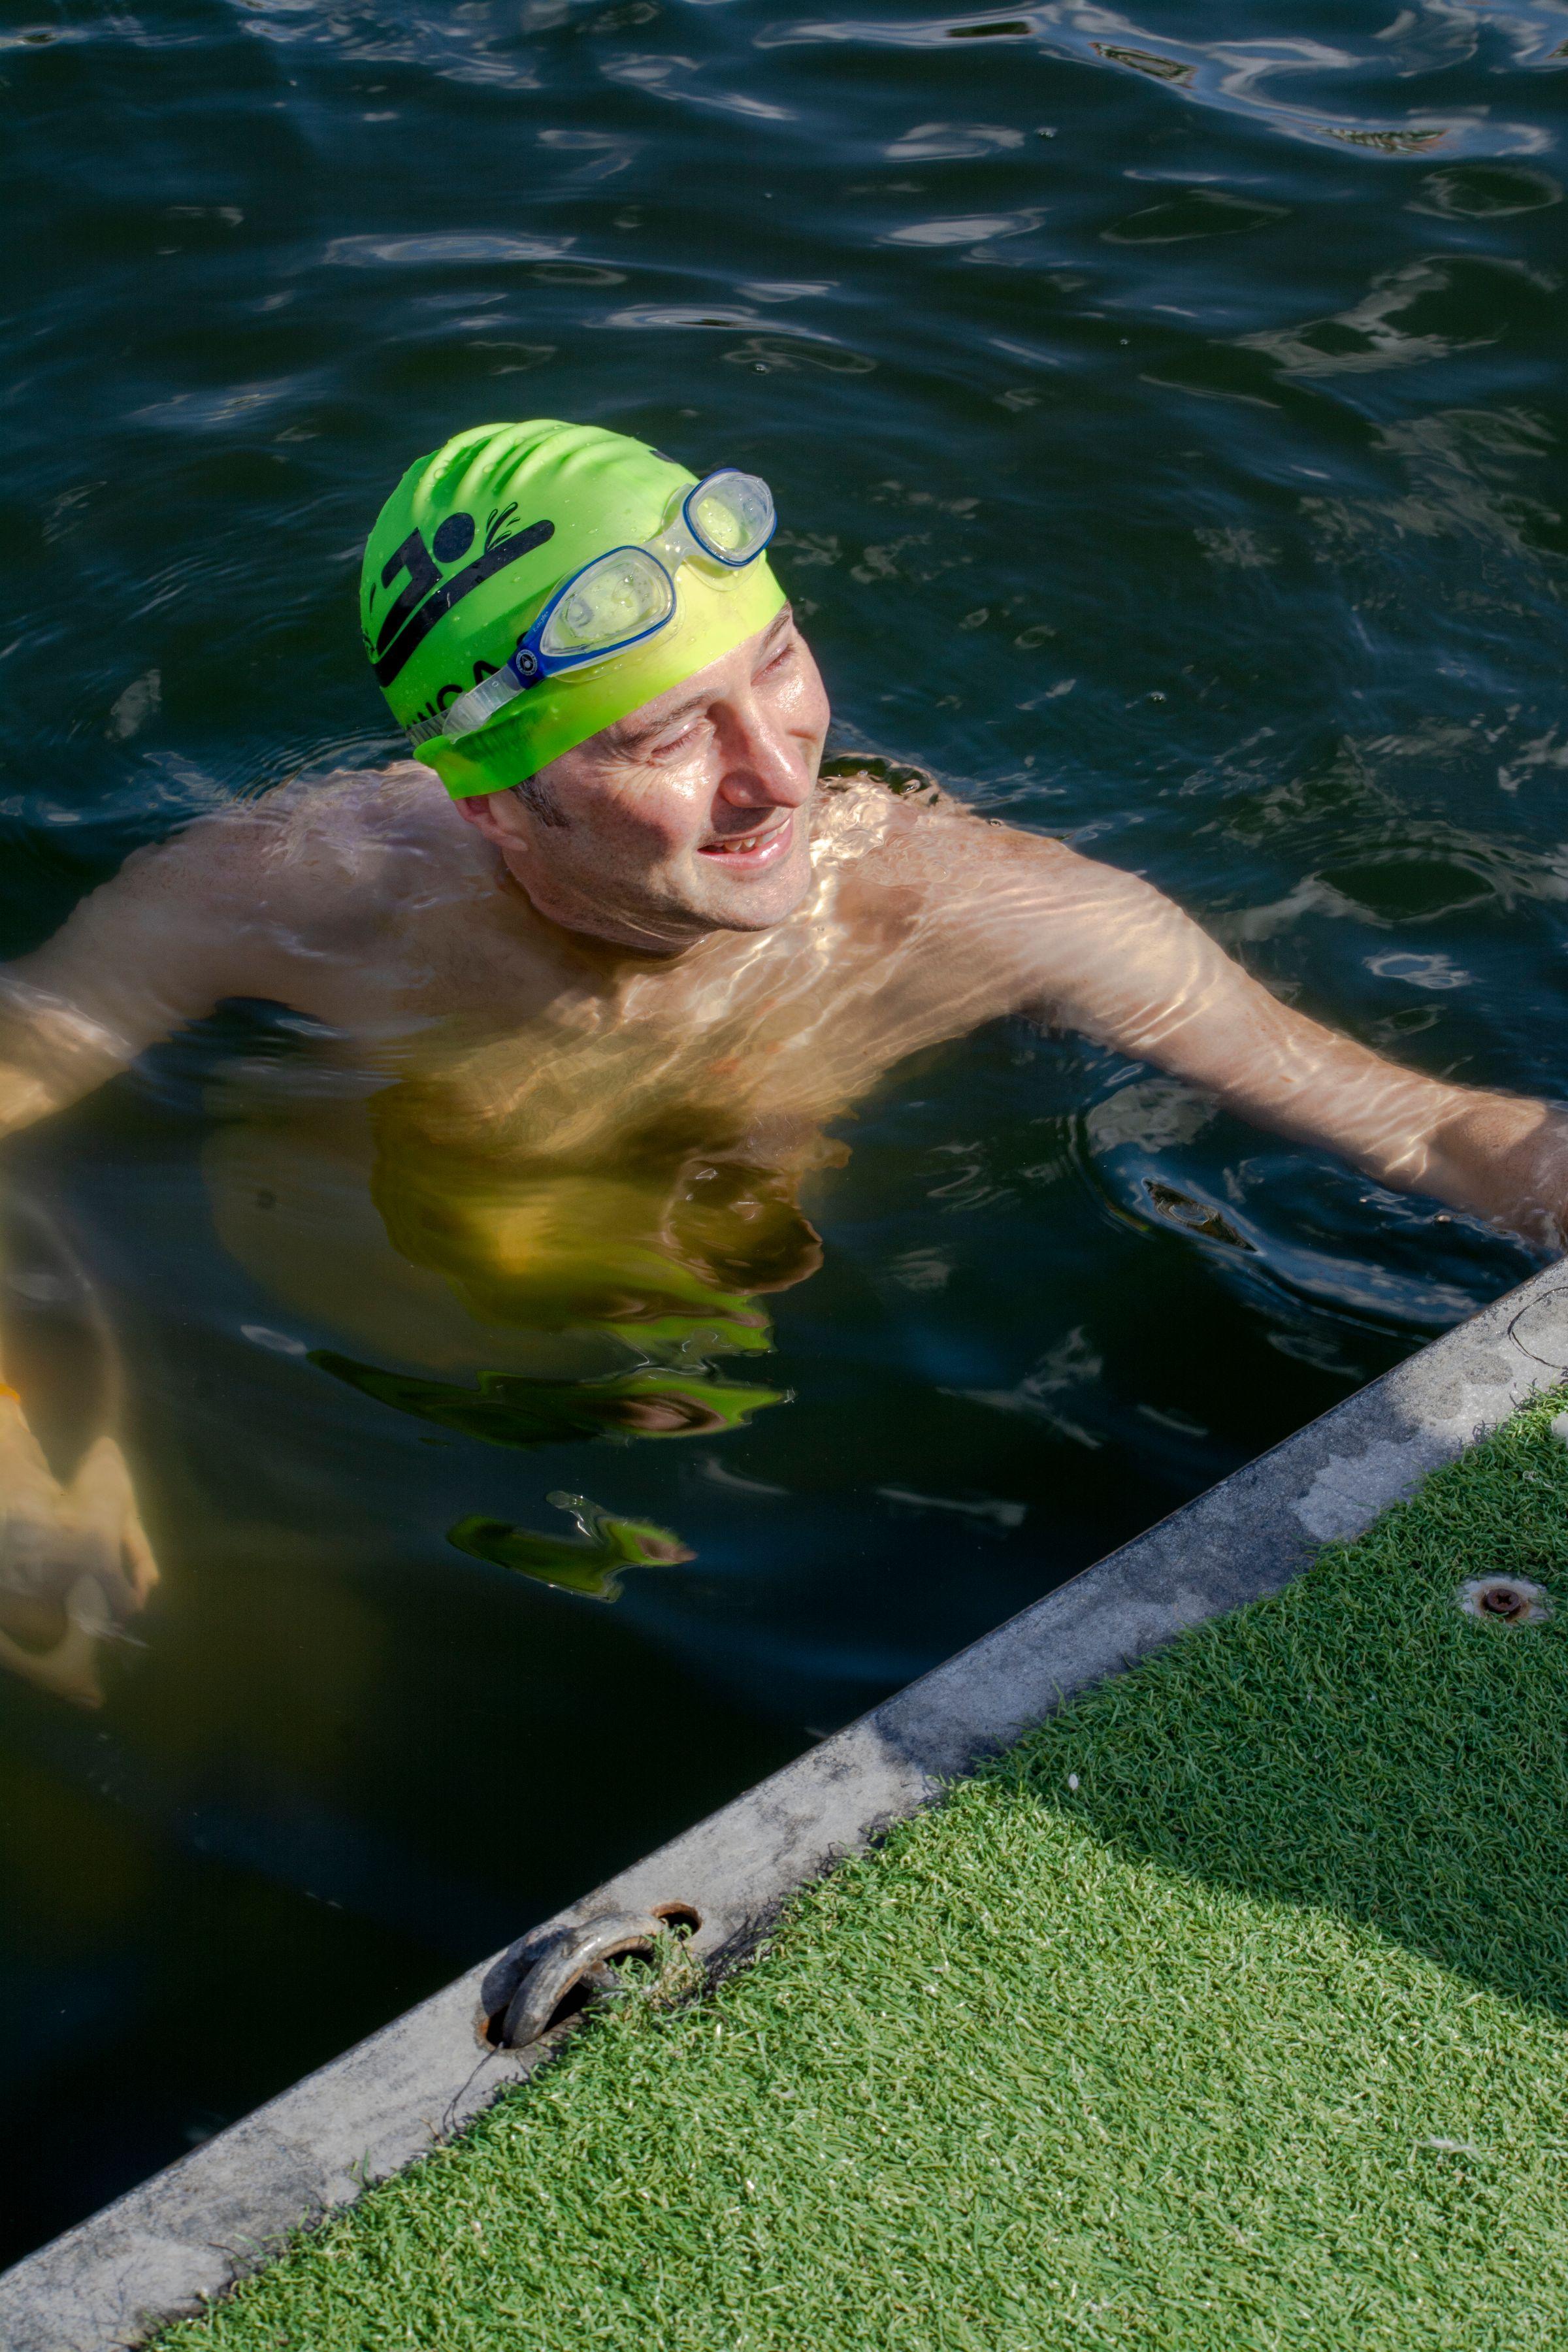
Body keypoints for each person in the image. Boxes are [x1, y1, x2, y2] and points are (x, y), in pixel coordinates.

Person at [1, 417, 1563, 1700]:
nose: (776, 771)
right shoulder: (294, 897)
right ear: (490, 798)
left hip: (805, 1480)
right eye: (666, 733)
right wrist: (23, 1440)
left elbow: (1438, 1140)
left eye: (782, 659)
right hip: (353, 1420)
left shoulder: (976, 917)